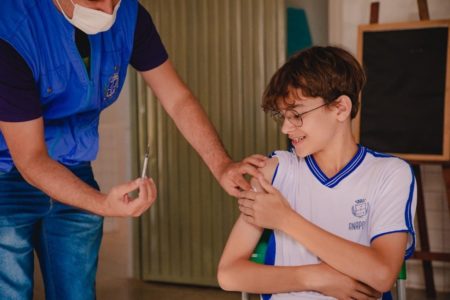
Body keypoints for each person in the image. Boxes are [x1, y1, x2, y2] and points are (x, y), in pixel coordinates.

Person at [0, 0, 265, 299]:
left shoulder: (129, 16)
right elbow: (31, 159)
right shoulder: (11, 30)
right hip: (6, 171)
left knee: (76, 292)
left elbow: (176, 98)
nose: (108, 7)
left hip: (73, 165)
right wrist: (103, 205)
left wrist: (221, 164)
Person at [217, 46, 417, 299]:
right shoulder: (275, 172)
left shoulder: (390, 174)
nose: (286, 128)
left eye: (297, 115)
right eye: (283, 116)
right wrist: (315, 277)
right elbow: (229, 274)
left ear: (340, 108)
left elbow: (381, 274)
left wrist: (285, 219)